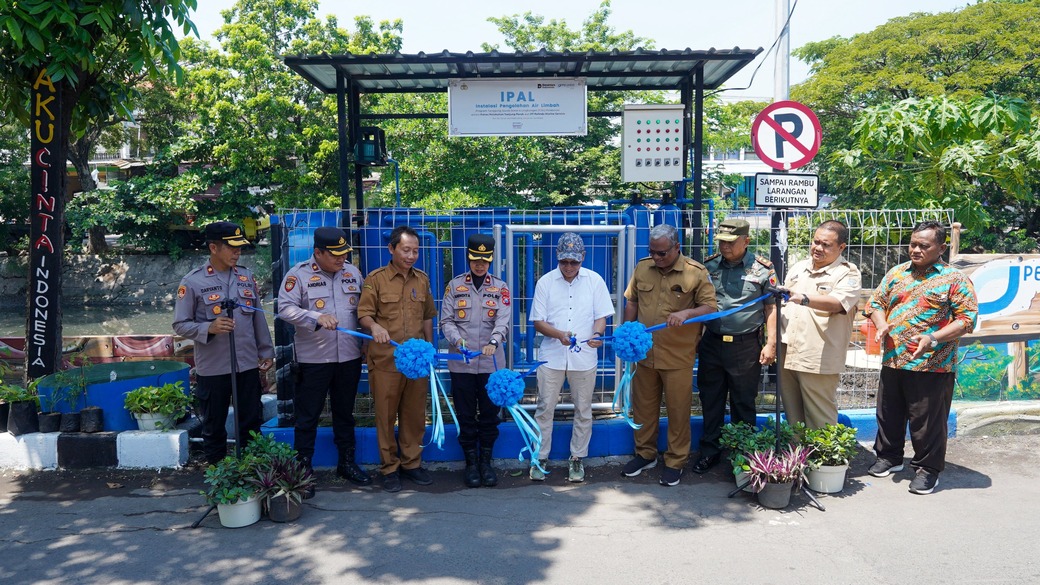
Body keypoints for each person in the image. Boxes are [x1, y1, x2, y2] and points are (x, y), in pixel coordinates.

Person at [864, 221, 977, 495]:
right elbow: (875, 303)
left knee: (927, 423)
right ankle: (889, 457)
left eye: (923, 246)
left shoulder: (954, 279)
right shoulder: (897, 273)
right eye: (913, 244)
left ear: (941, 247)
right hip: (893, 359)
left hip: (932, 365)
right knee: (888, 414)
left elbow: (967, 320)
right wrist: (881, 324)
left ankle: (928, 469)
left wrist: (933, 339)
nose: (915, 250)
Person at [621, 224, 717, 486]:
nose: (657, 258)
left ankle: (675, 461)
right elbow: (632, 301)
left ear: (677, 248)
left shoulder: (695, 272)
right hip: (644, 354)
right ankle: (645, 454)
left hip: (677, 355)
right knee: (643, 408)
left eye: (662, 253)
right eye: (652, 252)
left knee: (677, 410)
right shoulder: (642, 267)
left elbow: (710, 306)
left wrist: (687, 314)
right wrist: (627, 331)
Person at [277, 227, 371, 494]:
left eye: (345, 253)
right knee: (308, 416)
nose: (342, 259)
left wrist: (364, 342)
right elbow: (284, 309)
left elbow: (363, 311)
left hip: (349, 357)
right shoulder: (298, 275)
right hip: (313, 359)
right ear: (317, 252)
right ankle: (303, 470)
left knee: (345, 413)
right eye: (335, 254)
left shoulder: (352, 273)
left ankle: (347, 463)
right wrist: (314, 317)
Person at [173, 221, 274, 464]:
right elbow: (179, 324)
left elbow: (258, 318)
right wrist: (209, 327)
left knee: (251, 423)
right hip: (214, 367)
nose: (237, 252)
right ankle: (217, 477)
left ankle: (253, 473)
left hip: (247, 364)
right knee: (214, 425)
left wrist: (266, 351)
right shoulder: (193, 282)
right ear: (214, 248)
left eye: (240, 247)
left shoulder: (246, 277)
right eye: (232, 247)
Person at [693, 219, 778, 474]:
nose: (724, 246)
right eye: (721, 241)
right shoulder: (708, 266)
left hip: (745, 345)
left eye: (730, 242)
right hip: (712, 344)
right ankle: (710, 452)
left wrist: (771, 343)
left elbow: (771, 307)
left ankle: (744, 455)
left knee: (743, 402)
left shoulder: (763, 269)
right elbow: (699, 303)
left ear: (746, 241)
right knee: (711, 400)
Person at [529, 233, 615, 483]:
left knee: (583, 410)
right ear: (558, 257)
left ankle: (577, 458)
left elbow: (601, 316)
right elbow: (537, 322)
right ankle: (540, 456)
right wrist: (558, 335)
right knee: (545, 408)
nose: (568, 267)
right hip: (552, 357)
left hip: (584, 357)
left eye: (574, 262)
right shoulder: (546, 282)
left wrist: (598, 333)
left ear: (583, 258)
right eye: (564, 261)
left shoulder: (595, 281)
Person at [357, 225, 437, 493]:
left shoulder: (422, 280)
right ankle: (389, 467)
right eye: (406, 250)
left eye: (415, 250)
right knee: (386, 414)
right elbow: (363, 314)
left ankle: (411, 463)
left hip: (415, 363)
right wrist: (374, 327)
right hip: (386, 361)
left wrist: (429, 349)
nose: (411, 255)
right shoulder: (375, 279)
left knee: (414, 415)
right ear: (391, 249)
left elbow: (427, 316)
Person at [439, 234, 511, 488]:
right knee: (466, 414)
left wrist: (493, 342)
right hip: (462, 363)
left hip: (491, 364)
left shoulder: (501, 288)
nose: (479, 264)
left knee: (490, 414)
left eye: (484, 260)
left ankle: (486, 462)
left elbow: (503, 319)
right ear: (468, 257)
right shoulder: (454, 286)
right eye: (475, 259)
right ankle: (470, 463)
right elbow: (446, 321)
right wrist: (457, 341)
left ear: (490, 259)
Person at [778, 220, 862, 430]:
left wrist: (803, 298)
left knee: (820, 415)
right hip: (789, 348)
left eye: (826, 245)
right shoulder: (799, 267)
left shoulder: (847, 273)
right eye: (816, 242)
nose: (818, 248)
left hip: (818, 354)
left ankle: (824, 461)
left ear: (841, 247)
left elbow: (837, 303)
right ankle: (798, 458)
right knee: (793, 413)